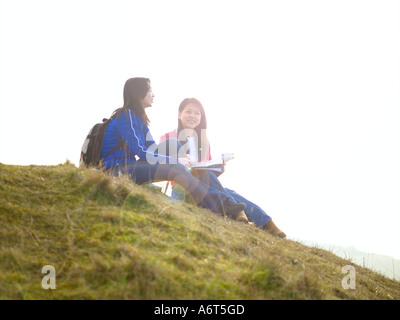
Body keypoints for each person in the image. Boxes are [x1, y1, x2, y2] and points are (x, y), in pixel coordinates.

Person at [100, 77, 248, 221]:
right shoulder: (126, 116)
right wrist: (175, 161)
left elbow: (152, 148)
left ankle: (217, 202)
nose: (153, 94)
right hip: (116, 170)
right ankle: (221, 203)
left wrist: (177, 158)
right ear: (139, 93)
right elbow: (141, 151)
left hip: (130, 166)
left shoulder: (139, 119)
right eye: (150, 90)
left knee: (173, 143)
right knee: (176, 167)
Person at [160, 98, 286, 238]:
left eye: (197, 113)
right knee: (226, 190)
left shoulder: (204, 140)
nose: (193, 116)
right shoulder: (168, 137)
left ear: (201, 117)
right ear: (179, 114)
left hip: (207, 185)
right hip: (186, 188)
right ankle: (248, 216)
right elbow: (161, 165)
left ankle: (266, 223)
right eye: (188, 112)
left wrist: (218, 167)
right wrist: (178, 162)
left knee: (227, 189)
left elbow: (209, 172)